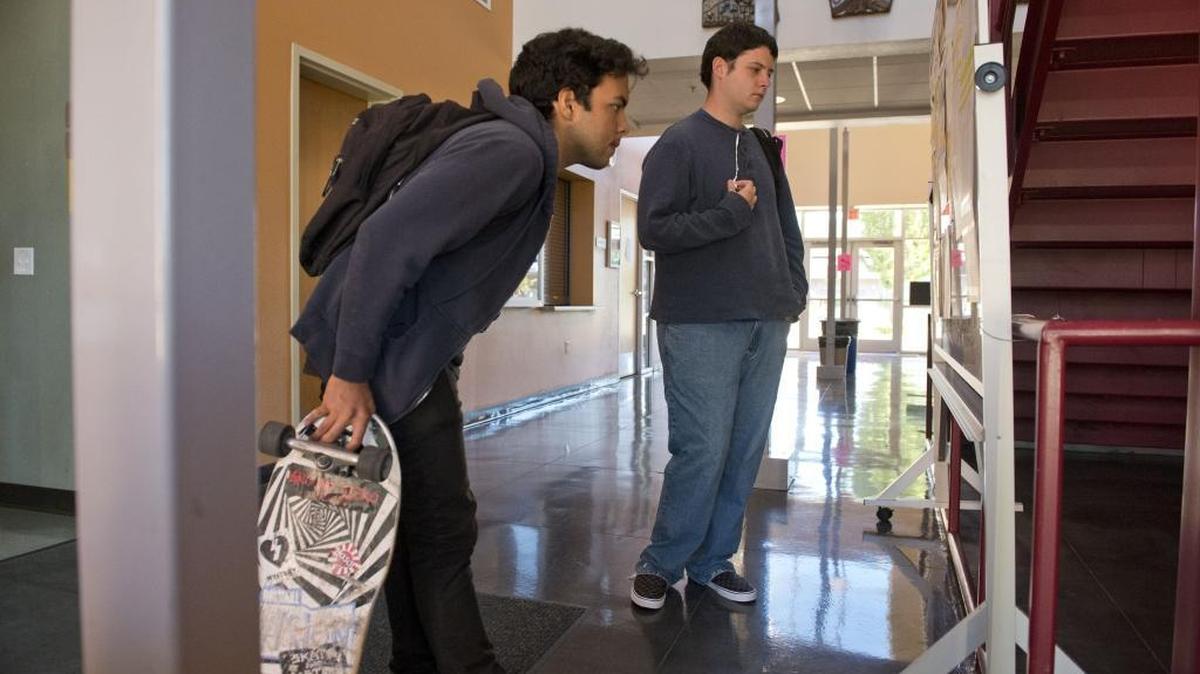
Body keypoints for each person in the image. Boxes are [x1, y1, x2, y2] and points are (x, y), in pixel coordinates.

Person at [291, 28, 647, 674]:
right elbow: (384, 242)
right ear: (567, 101)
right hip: (389, 362)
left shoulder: (520, 152)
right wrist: (349, 374)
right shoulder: (510, 152)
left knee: (416, 534)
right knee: (445, 533)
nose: (625, 122)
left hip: (401, 360)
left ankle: (416, 664)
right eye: (615, 105)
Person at [630, 22, 807, 611]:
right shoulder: (679, 144)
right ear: (719, 68)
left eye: (768, 71)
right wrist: (730, 212)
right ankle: (661, 563)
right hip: (699, 322)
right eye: (755, 68)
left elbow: (786, 228)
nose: (764, 81)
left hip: (767, 320)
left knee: (744, 450)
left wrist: (793, 292)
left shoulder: (761, 148)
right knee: (702, 448)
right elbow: (655, 229)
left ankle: (712, 561)